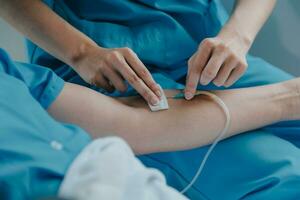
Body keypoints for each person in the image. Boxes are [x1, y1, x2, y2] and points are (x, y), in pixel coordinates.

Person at [1, 0, 300, 199]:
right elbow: (134, 122)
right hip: (105, 64)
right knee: (287, 176)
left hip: (206, 47)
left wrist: (238, 35)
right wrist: (82, 53)